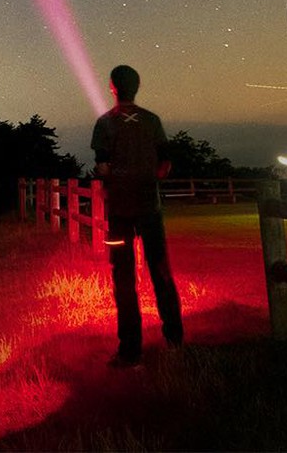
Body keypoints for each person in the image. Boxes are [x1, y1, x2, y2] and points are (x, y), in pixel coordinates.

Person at [90, 64, 184, 366]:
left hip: (120, 211)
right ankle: (175, 341)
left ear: (112, 87)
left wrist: (113, 181)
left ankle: (130, 350)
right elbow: (166, 164)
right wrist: (149, 179)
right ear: (137, 86)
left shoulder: (105, 124)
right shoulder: (152, 120)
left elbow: (103, 167)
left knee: (124, 278)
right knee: (161, 272)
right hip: (150, 207)